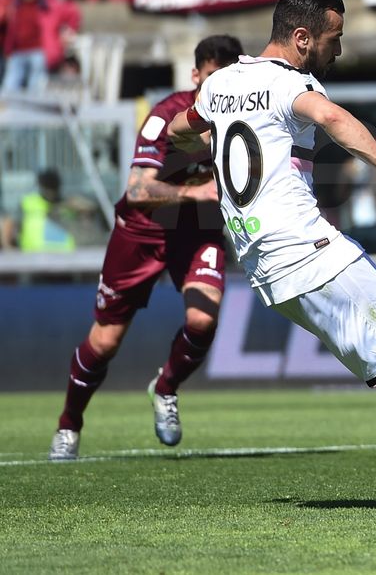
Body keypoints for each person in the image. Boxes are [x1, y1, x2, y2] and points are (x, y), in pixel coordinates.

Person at [167, 0, 376, 510]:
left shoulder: (222, 82)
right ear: (302, 38)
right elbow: (334, 118)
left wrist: (208, 140)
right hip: (301, 244)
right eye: (333, 38)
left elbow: (181, 129)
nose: (337, 49)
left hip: (264, 264)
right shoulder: (287, 83)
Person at [47, 35, 243, 462]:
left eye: (228, 79)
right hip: (141, 232)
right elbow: (137, 188)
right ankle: (68, 425)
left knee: (203, 320)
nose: (220, 89)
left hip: (196, 232)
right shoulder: (166, 116)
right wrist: (197, 193)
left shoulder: (240, 118)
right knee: (105, 342)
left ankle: (166, 388)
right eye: (212, 78)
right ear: (196, 76)